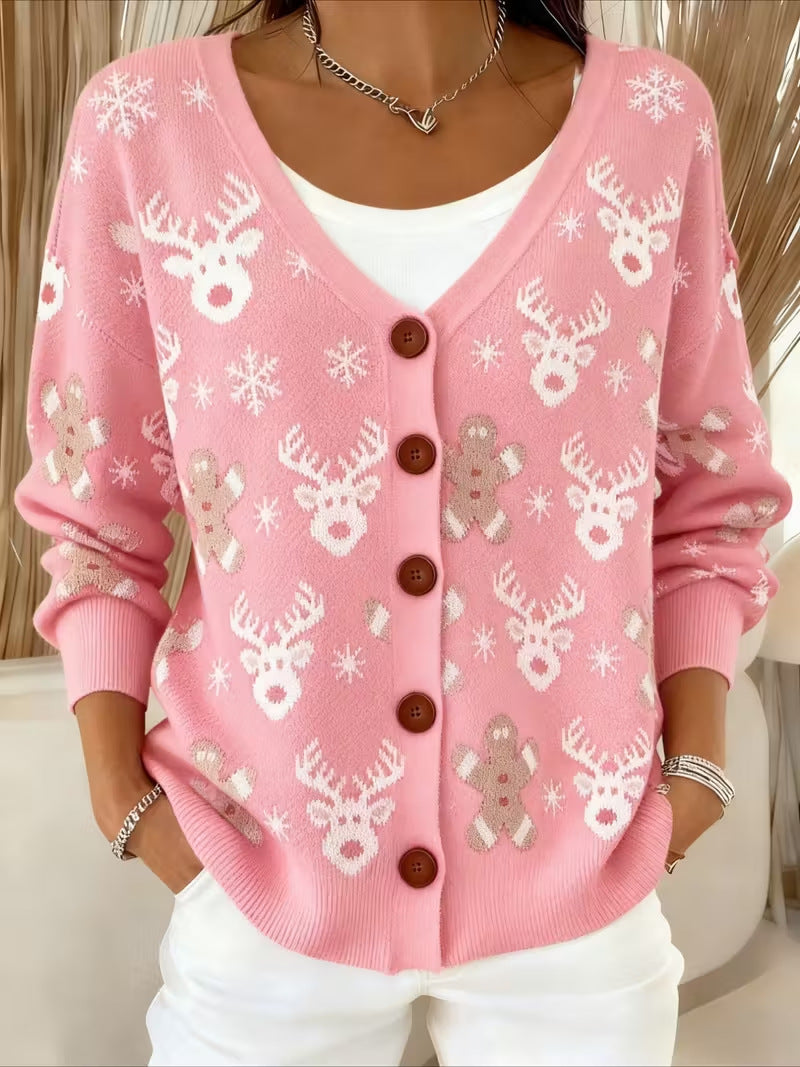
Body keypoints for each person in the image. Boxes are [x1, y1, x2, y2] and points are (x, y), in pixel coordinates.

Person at [13, 1, 793, 1064]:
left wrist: (695, 771)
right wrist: (124, 799)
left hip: (578, 906)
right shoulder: (148, 126)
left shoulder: (654, 124)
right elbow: (97, 498)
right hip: (258, 886)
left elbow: (707, 488)